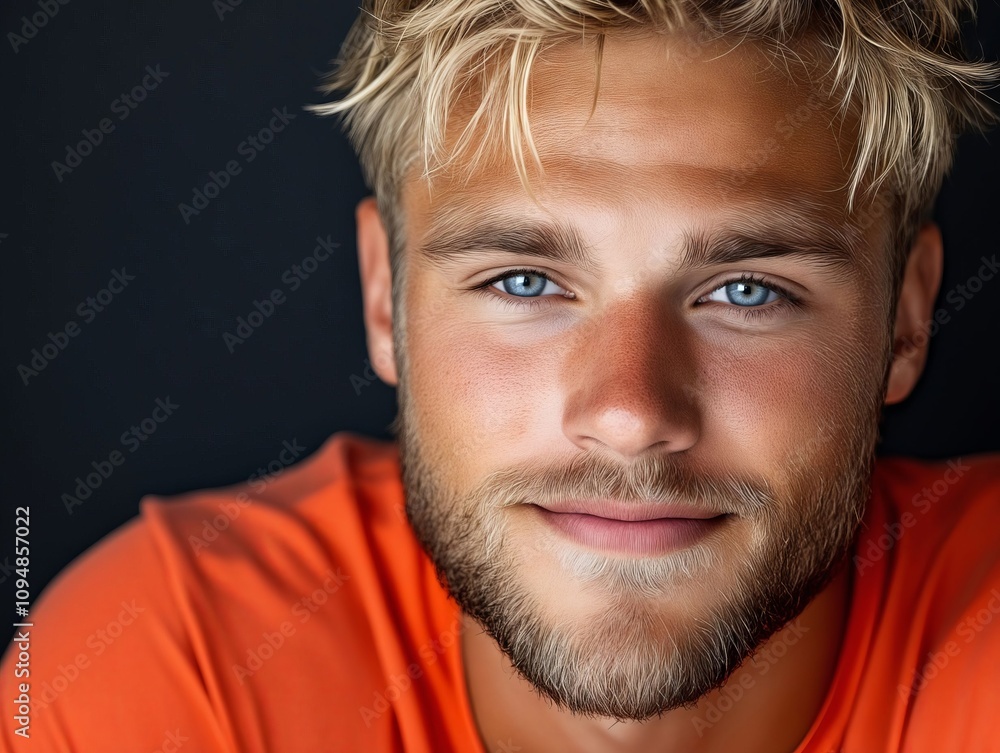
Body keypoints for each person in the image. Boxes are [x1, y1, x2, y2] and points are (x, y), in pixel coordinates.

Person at [3, 1, 1000, 751]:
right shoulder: (175, 676)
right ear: (385, 300)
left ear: (903, 321)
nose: (626, 415)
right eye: (525, 280)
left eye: (746, 291)